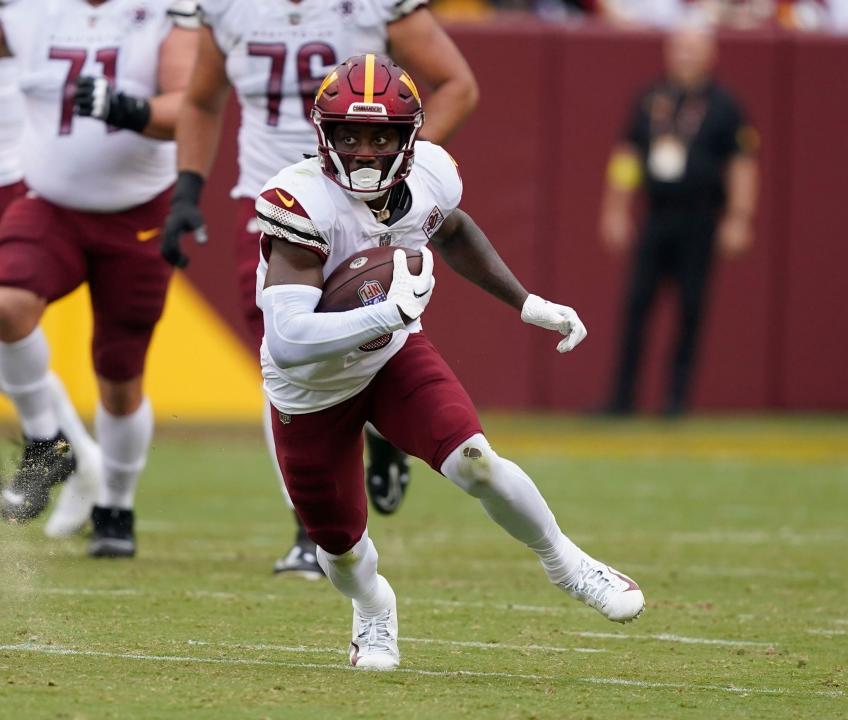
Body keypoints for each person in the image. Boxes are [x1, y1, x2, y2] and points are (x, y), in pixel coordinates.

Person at [256, 54, 644, 670]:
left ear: (409, 138)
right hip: (311, 390)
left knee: (477, 463)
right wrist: (385, 314)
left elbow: (453, 230)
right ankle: (374, 611)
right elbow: (288, 339)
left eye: (380, 135)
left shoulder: (431, 176)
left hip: (389, 358)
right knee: (343, 552)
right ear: (323, 136)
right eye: (348, 135)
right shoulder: (301, 201)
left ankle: (568, 563)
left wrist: (527, 303)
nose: (363, 150)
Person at [161, 0, 479, 579]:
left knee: (372, 334)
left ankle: (379, 437)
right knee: (283, 352)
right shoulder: (230, 8)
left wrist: (397, 163)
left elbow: (458, 82)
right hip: (273, 202)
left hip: (362, 205)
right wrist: (187, 188)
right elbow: (203, 99)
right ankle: (310, 527)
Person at [0, 0, 199, 557]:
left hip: (137, 211)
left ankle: (116, 504)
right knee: (7, 304)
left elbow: (187, 105)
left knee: (119, 373)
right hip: (48, 203)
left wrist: (125, 107)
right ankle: (46, 439)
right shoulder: (34, 10)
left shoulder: (166, 12)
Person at [599, 23, 758, 417]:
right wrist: (616, 209)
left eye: (693, 49)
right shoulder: (651, 98)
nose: (685, 57)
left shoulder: (725, 105)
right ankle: (621, 400)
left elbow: (742, 164)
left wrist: (739, 217)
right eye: (680, 49)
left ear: (710, 55)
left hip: (700, 218)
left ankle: (675, 402)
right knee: (636, 307)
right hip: (657, 215)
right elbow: (627, 156)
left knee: (690, 308)